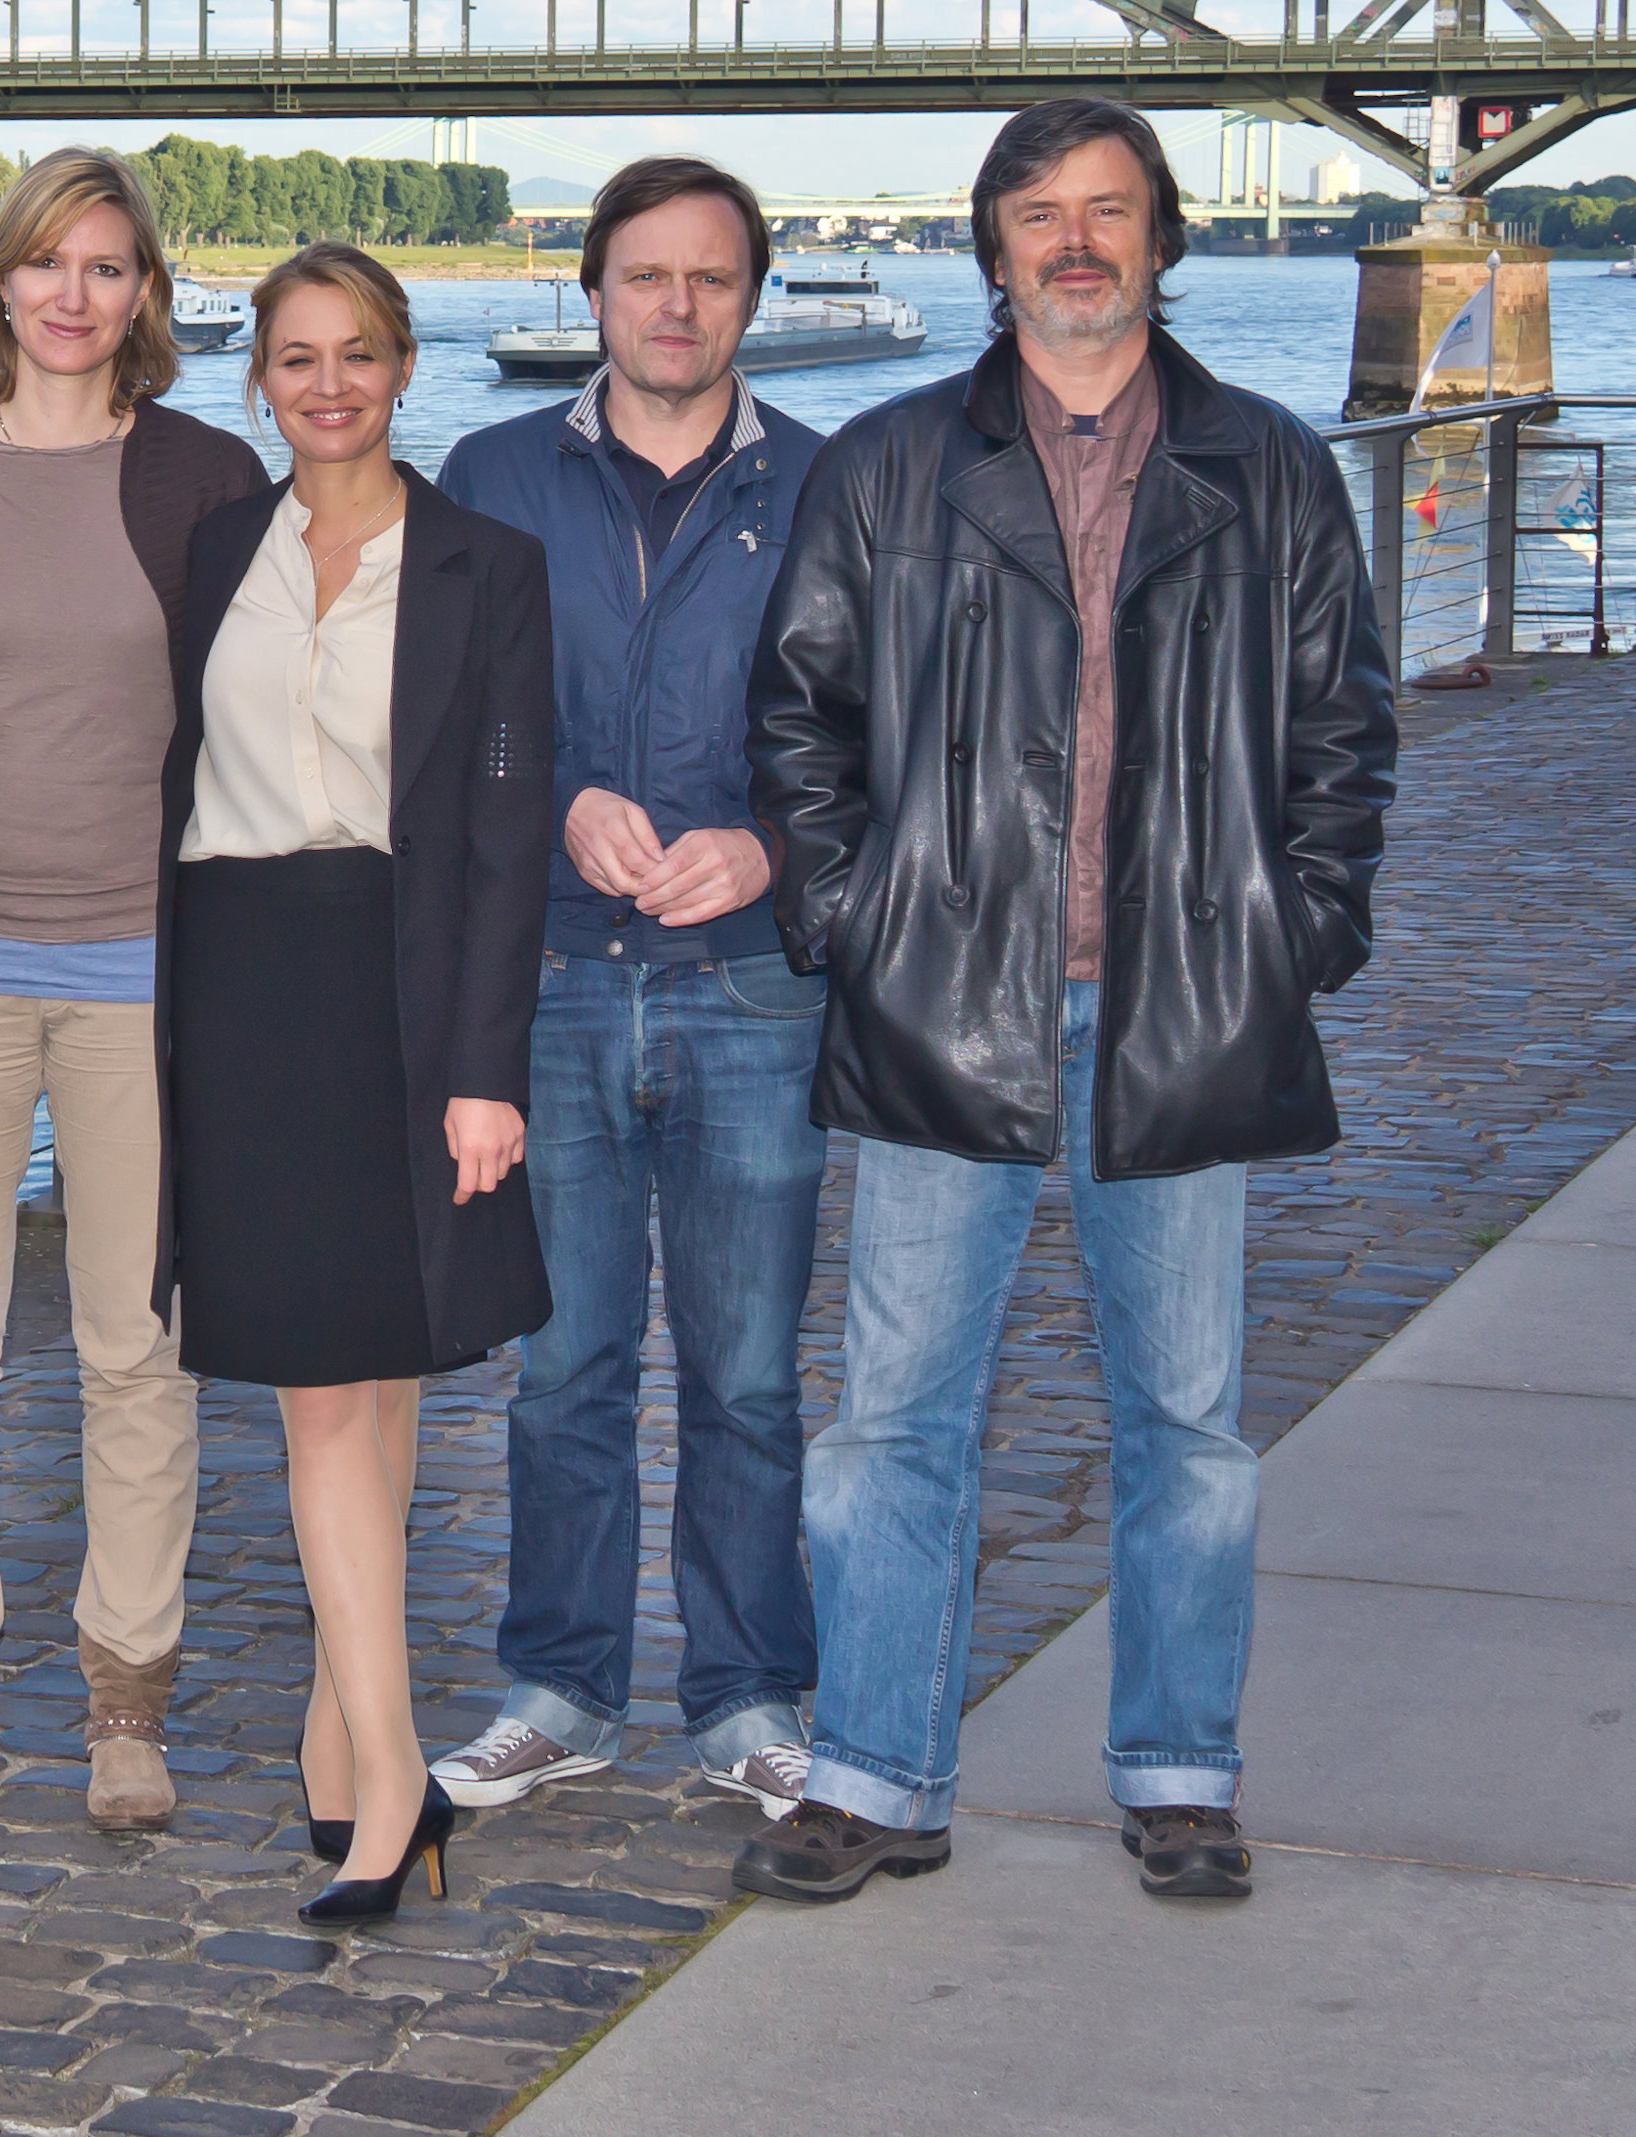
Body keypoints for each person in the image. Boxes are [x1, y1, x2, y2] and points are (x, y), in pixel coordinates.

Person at [741, 98, 1396, 1905]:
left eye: (1110, 209)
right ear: (995, 248)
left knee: (1189, 1423)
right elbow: (798, 720)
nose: (1078, 242)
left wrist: (1294, 934)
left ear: (1163, 239)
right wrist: (860, 925)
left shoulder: (1271, 468)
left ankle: (1182, 1769)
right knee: (893, 1419)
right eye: (1041, 214)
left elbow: (1343, 731)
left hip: (1183, 1004)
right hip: (946, 1000)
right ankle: (875, 1774)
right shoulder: (886, 466)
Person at [0, 145, 269, 1833]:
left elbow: (265, 722)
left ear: (146, 291)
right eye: (45, 261)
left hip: (139, 972)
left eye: (107, 265)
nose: (73, 294)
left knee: (136, 1344)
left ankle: (125, 1697)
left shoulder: (207, 476)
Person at [157, 241, 555, 1922]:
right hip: (242, 986)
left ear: (404, 368)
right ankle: (372, 1750)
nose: (329, 386)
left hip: (399, 981)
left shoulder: (486, 564)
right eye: (297, 358)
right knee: (327, 1389)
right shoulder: (214, 549)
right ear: (259, 380)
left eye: (359, 355)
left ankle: (371, 1759)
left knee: (377, 1383)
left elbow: (508, 835)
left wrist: (485, 1067)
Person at [430, 157, 828, 1820]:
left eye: (711, 277)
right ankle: (564, 1687)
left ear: (753, 299)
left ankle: (748, 1693)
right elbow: (440, 721)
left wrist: (770, 850)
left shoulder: (830, 486)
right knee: (566, 1367)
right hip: (556, 981)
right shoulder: (493, 473)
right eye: (646, 274)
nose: (677, 305)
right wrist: (557, 801)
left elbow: (887, 739)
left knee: (749, 1376)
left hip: (753, 992)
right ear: (592, 290)